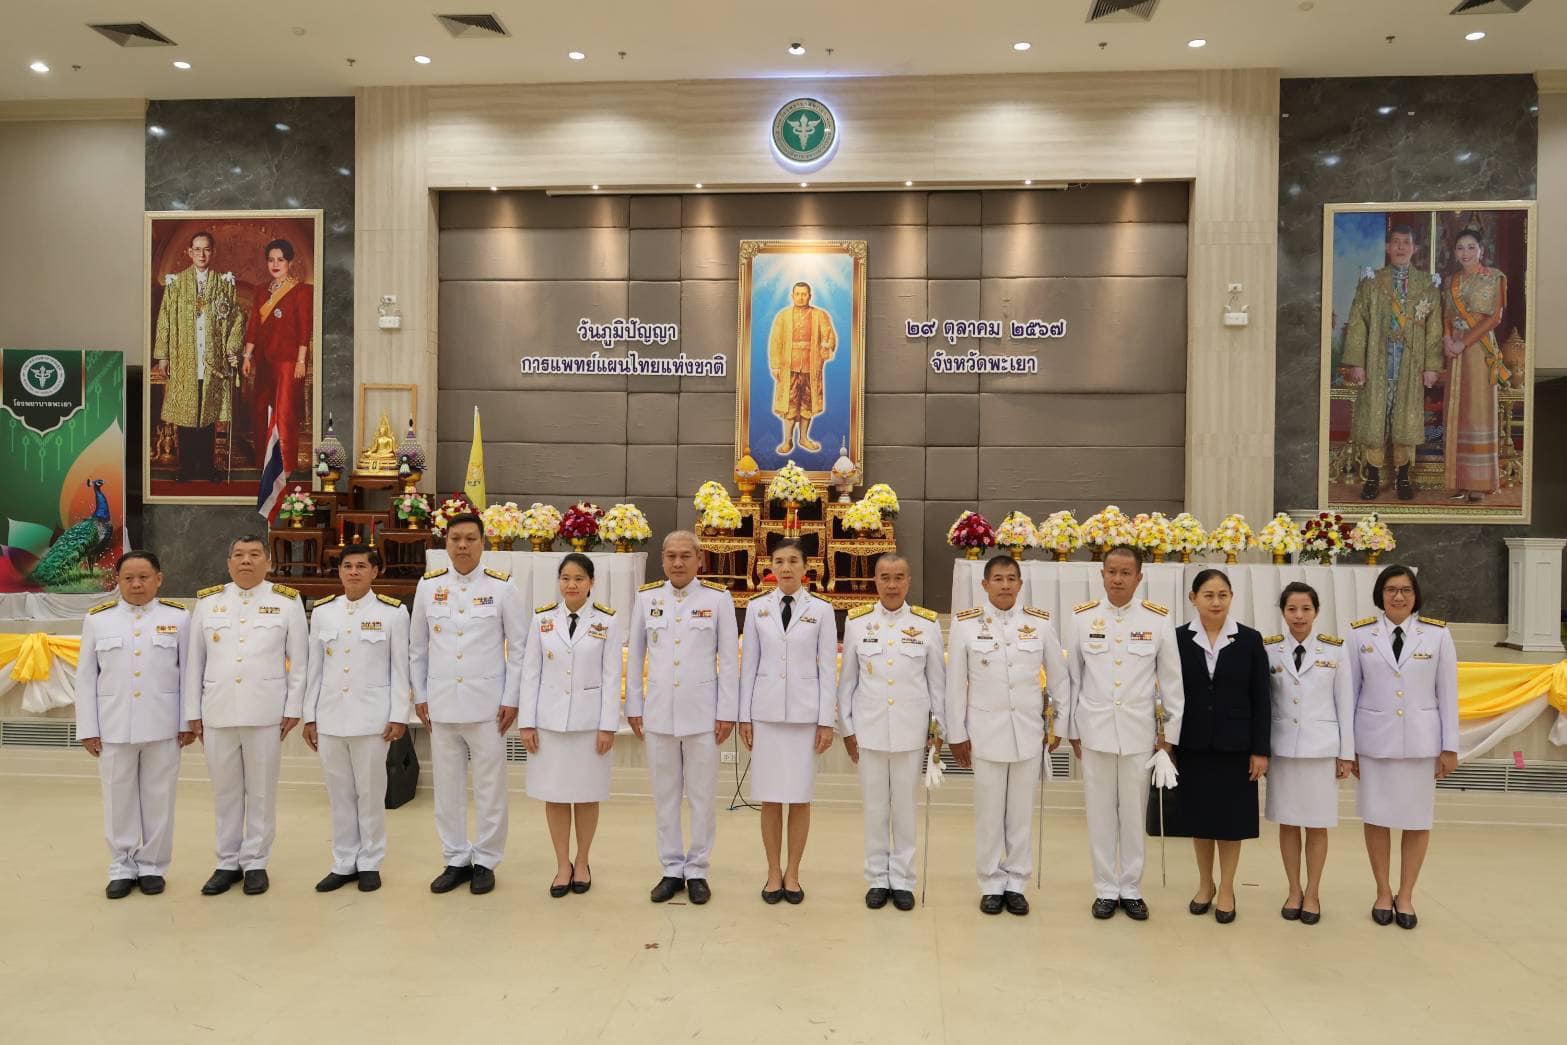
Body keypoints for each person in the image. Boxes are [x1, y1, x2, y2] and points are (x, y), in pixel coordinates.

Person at [945, 554, 1070, 917]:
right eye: (997, 579)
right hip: (984, 734)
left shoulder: (1039, 624)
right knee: (988, 815)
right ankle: (989, 883)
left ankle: (1016, 883)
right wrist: (956, 733)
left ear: (1020, 584)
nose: (1004, 585)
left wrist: (1058, 725)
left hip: (1028, 733)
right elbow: (955, 685)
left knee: (1020, 815)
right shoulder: (965, 625)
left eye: (1011, 578)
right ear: (984, 584)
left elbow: (1059, 678)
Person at [1063, 545, 1182, 921]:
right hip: (1095, 730)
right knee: (1099, 814)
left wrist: (1168, 736)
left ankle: (1131, 888)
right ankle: (1104, 888)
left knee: (1132, 814)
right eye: (1111, 572)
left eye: (1125, 572)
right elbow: (1072, 679)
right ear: (1101, 574)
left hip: (1138, 733)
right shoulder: (1082, 618)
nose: (1118, 579)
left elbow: (1172, 682)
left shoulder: (1157, 619)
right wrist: (1072, 728)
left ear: (1139, 577)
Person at [183, 535, 306, 896]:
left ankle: (255, 862)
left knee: (262, 791)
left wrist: (293, 707)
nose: (246, 561)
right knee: (225, 791)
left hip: (265, 711)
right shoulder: (208, 602)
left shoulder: (286, 601)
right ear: (229, 563)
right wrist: (192, 711)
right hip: (217, 710)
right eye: (238, 555)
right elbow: (194, 662)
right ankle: (226, 862)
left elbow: (300, 662)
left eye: (254, 555)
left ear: (268, 563)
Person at [410, 512, 525, 896]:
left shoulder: (502, 587)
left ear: (482, 542)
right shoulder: (428, 587)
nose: (462, 545)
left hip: (488, 707)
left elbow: (518, 649)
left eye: (470, 538)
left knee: (490, 787)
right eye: (455, 538)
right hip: (441, 704)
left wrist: (511, 698)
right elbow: (417, 648)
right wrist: (420, 695)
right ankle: (455, 858)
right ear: (446, 542)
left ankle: (486, 860)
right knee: (447, 788)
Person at [626, 530, 739, 906]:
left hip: (703, 715)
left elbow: (729, 660)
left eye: (685, 556)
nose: (678, 562)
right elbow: (636, 655)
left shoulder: (717, 599)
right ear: (662, 559)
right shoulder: (647, 598)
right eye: (671, 556)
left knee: (702, 798)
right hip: (659, 713)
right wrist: (634, 705)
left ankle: (698, 870)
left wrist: (727, 711)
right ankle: (672, 868)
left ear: (699, 559)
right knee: (665, 797)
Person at [1150, 569, 1269, 924]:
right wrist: (1166, 741)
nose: (1216, 602)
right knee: (1200, 820)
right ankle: (1205, 884)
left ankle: (1228, 887)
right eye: (1208, 595)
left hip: (1236, 746)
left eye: (1222, 595)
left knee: (1231, 822)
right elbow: (1165, 691)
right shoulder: (1177, 639)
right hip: (1193, 743)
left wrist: (1260, 749)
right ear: (1193, 598)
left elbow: (1262, 698)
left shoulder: (1249, 639)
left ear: (1231, 597)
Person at [74, 551, 194, 899]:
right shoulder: (98, 620)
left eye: (144, 577)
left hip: (163, 725)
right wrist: (89, 728)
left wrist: (187, 721)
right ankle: (122, 867)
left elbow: (189, 673)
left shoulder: (179, 617)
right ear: (118, 581)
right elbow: (86, 678)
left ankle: (153, 866)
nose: (137, 584)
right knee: (118, 798)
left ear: (159, 579)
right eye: (128, 578)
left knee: (160, 798)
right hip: (114, 725)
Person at [1348, 565, 1458, 930]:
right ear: (1380, 594)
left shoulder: (1437, 635)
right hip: (1374, 742)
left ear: (1416, 594)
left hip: (1421, 744)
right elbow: (1349, 693)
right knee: (1376, 817)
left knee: (1417, 820)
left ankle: (1406, 894)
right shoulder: (1359, 634)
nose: (1398, 596)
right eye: (1391, 589)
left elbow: (1448, 694)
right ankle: (1383, 891)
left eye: (1406, 590)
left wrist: (1449, 747)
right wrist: (1349, 749)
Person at [838, 553, 944, 911]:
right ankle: (876, 879)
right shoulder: (858, 623)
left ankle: (902, 880)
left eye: (899, 577)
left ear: (909, 581)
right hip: (868, 731)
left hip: (910, 731)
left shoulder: (927, 625)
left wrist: (938, 728)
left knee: (905, 809)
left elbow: (937, 684)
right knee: (875, 808)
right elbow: (847, 682)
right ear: (875, 581)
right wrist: (847, 729)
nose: (892, 584)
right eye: (885, 577)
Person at [302, 545, 410, 893]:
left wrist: (399, 715)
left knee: (370, 793)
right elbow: (314, 669)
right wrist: (309, 716)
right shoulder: (324, 612)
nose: (353, 572)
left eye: (361, 566)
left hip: (372, 718)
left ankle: (370, 862)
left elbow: (400, 669)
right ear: (339, 572)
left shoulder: (393, 613)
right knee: (339, 794)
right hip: (331, 716)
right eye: (347, 566)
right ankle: (344, 861)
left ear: (375, 572)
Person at [737, 541, 837, 905]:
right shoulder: (757, 607)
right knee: (769, 798)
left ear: (806, 567)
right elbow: (749, 664)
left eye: (794, 561)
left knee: (799, 797)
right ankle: (772, 871)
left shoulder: (821, 610)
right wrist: (744, 716)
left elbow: (827, 668)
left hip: (804, 716)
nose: (786, 567)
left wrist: (826, 720)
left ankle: (792, 872)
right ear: (771, 567)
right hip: (766, 715)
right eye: (779, 561)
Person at [518, 553, 623, 898]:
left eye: (579, 578)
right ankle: (562, 864)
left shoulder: (607, 620)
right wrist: (527, 722)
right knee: (556, 796)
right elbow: (530, 673)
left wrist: (608, 725)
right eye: (565, 578)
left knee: (587, 795)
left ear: (591, 582)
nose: (571, 584)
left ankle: (582, 861)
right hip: (549, 724)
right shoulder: (542, 619)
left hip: (590, 725)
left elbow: (612, 676)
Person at [1264, 582, 1354, 925]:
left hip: (1321, 751)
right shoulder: (1269, 650)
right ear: (1283, 612)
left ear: (1316, 612)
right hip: (1282, 750)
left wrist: (1346, 754)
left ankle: (1313, 892)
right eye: (1292, 609)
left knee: (1317, 826)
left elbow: (1344, 704)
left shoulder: (1335, 651)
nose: (1299, 616)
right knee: (1288, 823)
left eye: (1306, 609)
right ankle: (1293, 890)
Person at [1341, 223, 1443, 502]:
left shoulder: (1427, 285)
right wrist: (1357, 362)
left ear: (1414, 248)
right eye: (1395, 242)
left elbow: (1434, 329)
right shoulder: (1372, 282)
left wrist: (1431, 367)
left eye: (1406, 242)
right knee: (1375, 420)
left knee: (1406, 421)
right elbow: (1358, 323)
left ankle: (1403, 478)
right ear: (1387, 247)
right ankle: (1372, 478)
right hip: (1377, 363)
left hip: (1411, 365)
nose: (1400, 247)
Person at [152, 230, 245, 483]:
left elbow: (237, 319)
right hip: (184, 358)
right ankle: (185, 467)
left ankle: (206, 466)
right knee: (187, 413)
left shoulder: (224, 284)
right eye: (197, 249)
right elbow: (164, 320)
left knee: (207, 414)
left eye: (206, 249)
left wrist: (232, 348)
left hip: (213, 360)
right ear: (189, 252)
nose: (201, 254)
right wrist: (163, 356)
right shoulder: (176, 284)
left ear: (212, 252)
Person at [1442, 227, 1508, 502]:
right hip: (1455, 351)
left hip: (1479, 349)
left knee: (1477, 410)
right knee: (1457, 410)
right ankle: (1459, 479)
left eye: (1471, 247)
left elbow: (1495, 318)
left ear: (1481, 250)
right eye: (1460, 248)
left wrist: (1464, 342)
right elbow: (1447, 315)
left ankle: (1479, 482)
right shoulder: (1451, 281)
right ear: (1455, 252)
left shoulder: (1495, 277)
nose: (1465, 252)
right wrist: (1447, 339)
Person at [241, 238, 313, 475]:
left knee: (284, 412)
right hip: (263, 360)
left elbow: (305, 328)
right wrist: (247, 356)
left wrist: (301, 360)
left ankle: (285, 465)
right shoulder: (261, 290)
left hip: (288, 361)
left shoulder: (301, 291)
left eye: (280, 260)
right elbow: (253, 325)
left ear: (290, 262)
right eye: (271, 260)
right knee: (259, 409)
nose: (275, 264)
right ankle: (263, 462)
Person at [767, 281, 837, 455]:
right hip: (788, 367)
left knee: (807, 403)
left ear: (809, 296)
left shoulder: (820, 315)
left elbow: (829, 334)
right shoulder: (783, 316)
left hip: (810, 367)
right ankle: (787, 441)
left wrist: (827, 344)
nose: (800, 297)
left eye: (804, 294)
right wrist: (775, 365)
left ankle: (804, 438)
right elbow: (775, 342)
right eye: (797, 294)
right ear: (792, 296)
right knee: (789, 404)